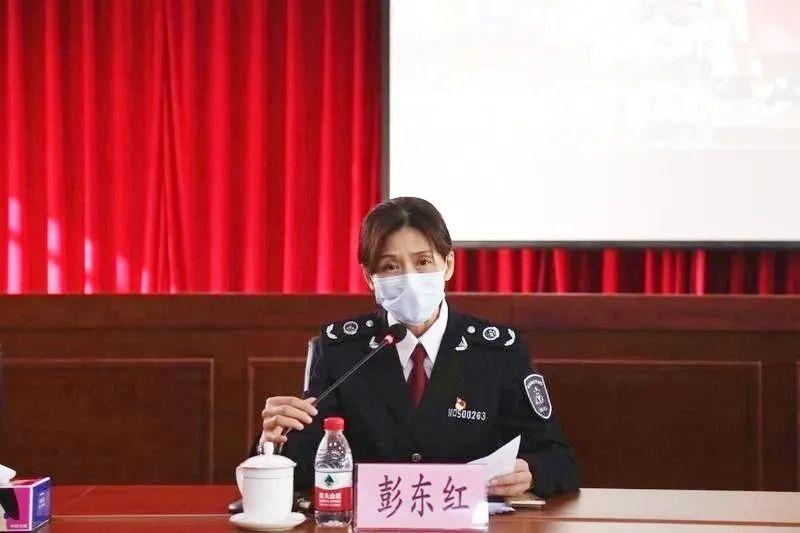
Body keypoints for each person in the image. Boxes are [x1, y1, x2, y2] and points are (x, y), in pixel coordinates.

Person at [258, 197, 579, 498]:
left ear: (448, 264)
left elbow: (557, 456)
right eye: (390, 266)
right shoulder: (341, 350)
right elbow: (303, 465)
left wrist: (532, 472)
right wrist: (271, 444)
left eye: (423, 261)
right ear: (369, 277)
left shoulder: (499, 350)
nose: (410, 278)